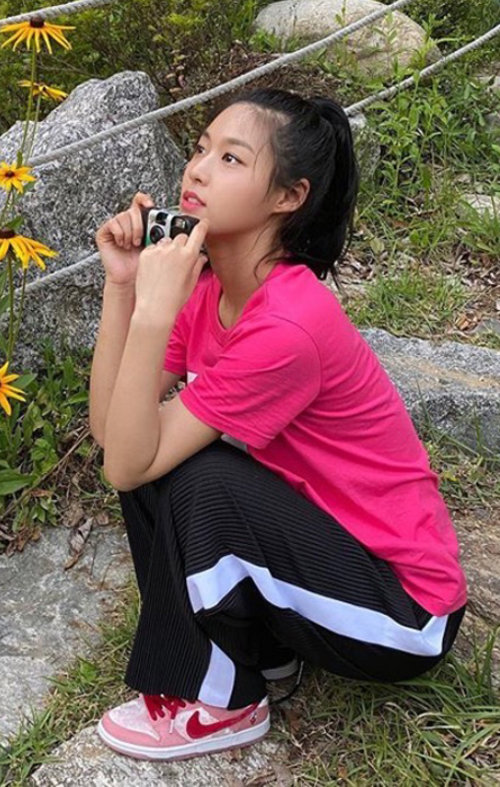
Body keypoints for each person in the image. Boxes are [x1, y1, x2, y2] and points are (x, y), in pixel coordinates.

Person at [88, 88, 467, 762]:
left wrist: (154, 309)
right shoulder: (213, 290)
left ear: (288, 197)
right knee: (160, 458)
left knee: (201, 479)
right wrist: (123, 288)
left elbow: (124, 462)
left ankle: (225, 699)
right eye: (201, 148)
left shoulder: (288, 325)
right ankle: (259, 649)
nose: (197, 170)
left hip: (405, 611)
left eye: (231, 158)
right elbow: (114, 438)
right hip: (332, 556)